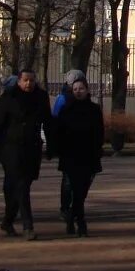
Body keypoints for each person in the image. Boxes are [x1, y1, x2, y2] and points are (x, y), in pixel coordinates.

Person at [0, 68, 53, 240]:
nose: (29, 83)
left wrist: (52, 146)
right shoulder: (9, 97)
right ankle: (27, 225)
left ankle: (8, 220)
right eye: (25, 80)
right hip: (11, 148)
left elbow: (48, 122)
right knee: (21, 186)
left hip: (32, 147)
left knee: (17, 187)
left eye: (32, 80)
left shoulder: (41, 97)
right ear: (19, 81)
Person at [53, 77, 104, 236]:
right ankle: (81, 223)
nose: (78, 92)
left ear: (87, 90)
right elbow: (59, 133)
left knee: (82, 191)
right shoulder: (66, 110)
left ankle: (71, 217)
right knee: (74, 189)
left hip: (89, 156)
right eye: (75, 89)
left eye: (81, 88)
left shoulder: (94, 110)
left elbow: (99, 133)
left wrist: (97, 150)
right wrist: (59, 150)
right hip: (71, 156)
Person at [52, 70, 87, 221]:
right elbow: (56, 120)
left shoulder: (88, 105)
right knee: (68, 179)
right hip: (69, 146)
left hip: (82, 147)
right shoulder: (63, 100)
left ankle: (72, 207)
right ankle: (67, 208)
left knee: (80, 180)